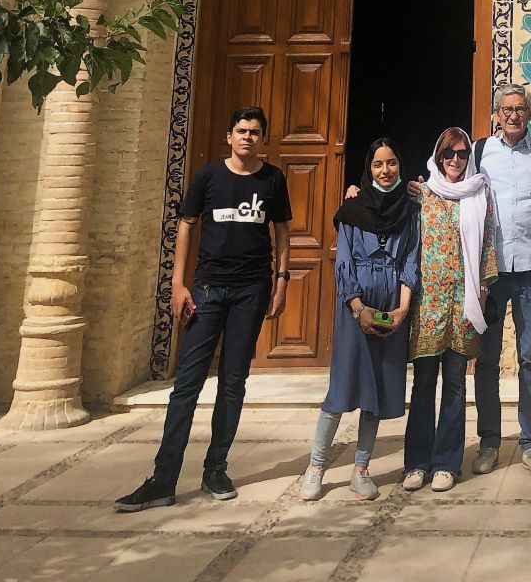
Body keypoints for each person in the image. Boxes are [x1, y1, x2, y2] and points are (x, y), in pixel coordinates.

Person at [115, 107, 291, 511]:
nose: (248, 137)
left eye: (256, 132)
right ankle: (163, 478)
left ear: (263, 139)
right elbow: (187, 223)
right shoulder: (208, 176)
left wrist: (282, 281)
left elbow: (281, 230)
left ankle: (216, 468)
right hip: (208, 290)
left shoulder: (273, 179)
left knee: (233, 383)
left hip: (251, 290)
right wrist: (178, 283)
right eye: (242, 130)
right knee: (187, 386)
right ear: (229, 135)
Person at [298, 138, 420, 502]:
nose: (386, 171)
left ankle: (361, 468)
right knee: (343, 385)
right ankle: (316, 466)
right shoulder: (352, 209)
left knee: (378, 390)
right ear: (368, 169)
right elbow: (345, 261)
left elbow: (411, 260)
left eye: (392, 163)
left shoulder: (410, 210)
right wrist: (357, 307)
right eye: (379, 164)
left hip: (392, 307)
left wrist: (402, 309)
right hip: (356, 307)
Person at [471, 84, 531, 480]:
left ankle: (530, 442)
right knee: (488, 359)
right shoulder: (478, 153)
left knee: (530, 357)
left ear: (529, 113)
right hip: (490, 273)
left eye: (519, 109)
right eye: (506, 109)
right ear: (496, 113)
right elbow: (459, 197)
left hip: (530, 269)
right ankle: (490, 441)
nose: (513, 115)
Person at [402, 127, 497, 493]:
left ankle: (446, 463)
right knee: (424, 384)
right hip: (428, 303)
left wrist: (484, 290)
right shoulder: (421, 195)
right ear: (438, 156)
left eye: (461, 154)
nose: (455, 161)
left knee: (455, 384)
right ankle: (416, 463)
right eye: (448, 154)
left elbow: (488, 244)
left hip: (464, 303)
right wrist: (355, 190)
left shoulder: (479, 193)